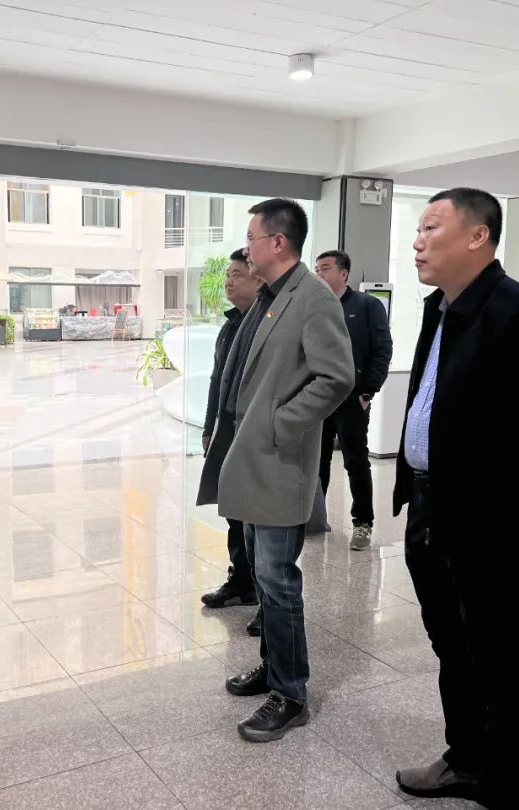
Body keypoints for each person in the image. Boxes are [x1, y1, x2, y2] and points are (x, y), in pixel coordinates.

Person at [392, 189, 519, 809]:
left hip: (486, 519)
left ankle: (504, 783)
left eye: (430, 227)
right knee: (451, 643)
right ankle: (466, 757)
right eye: (419, 229)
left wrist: (514, 518)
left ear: (478, 236)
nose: (417, 241)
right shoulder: (441, 307)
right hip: (430, 505)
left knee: (495, 650)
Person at [218, 198, 354, 742]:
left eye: (252, 237)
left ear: (277, 242)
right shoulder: (270, 296)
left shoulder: (312, 297)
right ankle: (272, 667)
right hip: (254, 459)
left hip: (279, 460)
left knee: (278, 580)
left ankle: (291, 693)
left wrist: (279, 424)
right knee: (262, 572)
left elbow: (336, 376)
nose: (246, 247)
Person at [197, 249, 264, 611]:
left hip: (255, 433)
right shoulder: (229, 326)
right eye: (228, 275)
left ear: (257, 279)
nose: (228, 282)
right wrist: (210, 426)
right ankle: (241, 582)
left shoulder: (267, 324)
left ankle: (263, 592)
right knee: (233, 508)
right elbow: (216, 381)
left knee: (256, 515)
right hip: (228, 430)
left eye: (237, 274)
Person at [314, 249, 393, 550]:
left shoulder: (367, 306)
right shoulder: (315, 307)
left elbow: (382, 349)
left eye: (325, 268)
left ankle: (363, 524)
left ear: (344, 274)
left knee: (355, 461)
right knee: (317, 460)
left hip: (352, 398)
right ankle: (315, 518)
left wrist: (368, 390)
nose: (319, 274)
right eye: (317, 269)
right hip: (319, 397)